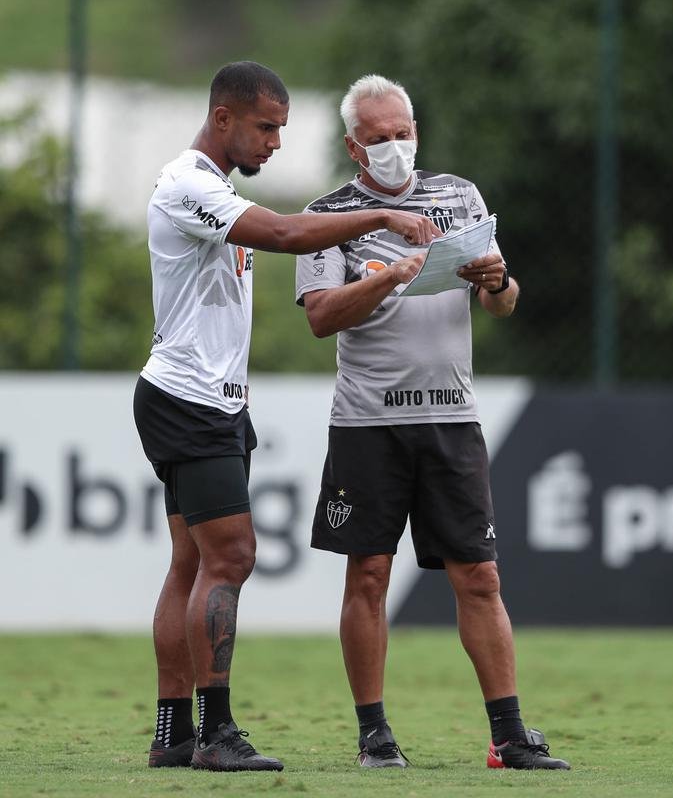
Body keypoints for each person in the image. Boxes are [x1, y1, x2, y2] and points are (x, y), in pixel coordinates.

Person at [133, 61, 439, 773]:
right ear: (223, 119)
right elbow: (286, 233)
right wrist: (384, 215)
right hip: (189, 400)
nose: (275, 142)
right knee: (233, 557)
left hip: (210, 401)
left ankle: (173, 731)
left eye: (280, 129)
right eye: (266, 127)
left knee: (192, 563)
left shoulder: (214, 189)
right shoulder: (189, 184)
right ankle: (216, 735)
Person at [295, 74, 570, 772]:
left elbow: (502, 307)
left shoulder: (461, 196)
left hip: (453, 417)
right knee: (369, 574)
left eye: (403, 133)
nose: (394, 147)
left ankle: (508, 736)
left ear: (417, 131)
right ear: (355, 148)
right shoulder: (329, 214)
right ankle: (373, 734)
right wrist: (387, 276)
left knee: (479, 577)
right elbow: (322, 317)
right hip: (367, 422)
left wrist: (497, 281)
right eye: (379, 139)